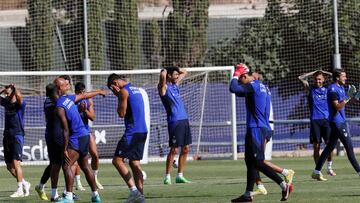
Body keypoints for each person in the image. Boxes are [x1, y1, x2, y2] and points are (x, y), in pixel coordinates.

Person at [229, 64, 292, 202]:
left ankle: (283, 184)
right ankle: (248, 194)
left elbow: (233, 88)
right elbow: (237, 90)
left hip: (256, 128)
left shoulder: (253, 86)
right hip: (260, 127)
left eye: (241, 80)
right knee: (249, 161)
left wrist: (235, 74)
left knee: (257, 161)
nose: (240, 83)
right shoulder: (262, 86)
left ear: (245, 76)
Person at [54, 77, 106, 203]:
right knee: (85, 166)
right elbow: (85, 95)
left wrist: (65, 149)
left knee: (66, 166)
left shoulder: (60, 106)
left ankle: (68, 197)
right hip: (85, 135)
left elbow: (65, 130)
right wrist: (98, 91)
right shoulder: (69, 98)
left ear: (57, 89)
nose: (67, 86)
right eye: (65, 85)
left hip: (76, 137)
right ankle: (95, 196)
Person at [250, 72, 295, 196]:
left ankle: (285, 173)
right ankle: (260, 186)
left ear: (255, 79)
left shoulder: (257, 88)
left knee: (259, 160)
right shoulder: (264, 88)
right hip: (266, 125)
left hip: (263, 126)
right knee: (256, 160)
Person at [312, 69, 360, 181]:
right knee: (349, 148)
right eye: (344, 76)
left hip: (340, 122)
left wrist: (357, 96)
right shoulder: (332, 89)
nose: (346, 78)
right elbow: (337, 106)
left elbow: (346, 103)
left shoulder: (341, 88)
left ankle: (316, 171)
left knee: (329, 147)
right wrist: (348, 97)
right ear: (337, 78)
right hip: (337, 123)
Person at [107, 73, 148, 203]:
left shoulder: (123, 92)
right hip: (142, 131)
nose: (112, 91)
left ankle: (134, 191)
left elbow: (121, 114)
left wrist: (118, 97)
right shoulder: (136, 90)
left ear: (115, 83)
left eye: (112, 88)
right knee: (134, 163)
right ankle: (140, 196)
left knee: (117, 161)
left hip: (132, 131)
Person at [298, 70, 336, 177]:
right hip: (315, 121)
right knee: (316, 146)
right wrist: (314, 72)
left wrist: (323, 72)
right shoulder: (310, 89)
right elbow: (300, 77)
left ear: (323, 80)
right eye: (316, 79)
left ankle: (329, 168)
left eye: (319, 79)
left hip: (326, 121)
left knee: (330, 145)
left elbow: (335, 76)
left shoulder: (328, 89)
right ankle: (318, 170)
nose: (317, 81)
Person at [158, 67, 192, 185]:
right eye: (175, 74)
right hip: (174, 121)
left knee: (186, 148)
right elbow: (162, 77)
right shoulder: (164, 87)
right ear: (169, 76)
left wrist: (176, 70)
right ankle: (167, 176)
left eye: (178, 74)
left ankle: (180, 176)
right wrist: (165, 71)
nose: (178, 76)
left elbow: (185, 71)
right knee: (174, 149)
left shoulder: (175, 85)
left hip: (184, 120)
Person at [35, 83, 65, 201]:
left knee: (55, 164)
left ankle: (43, 187)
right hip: (58, 135)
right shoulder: (57, 100)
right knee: (64, 163)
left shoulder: (47, 100)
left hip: (50, 134)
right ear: (57, 90)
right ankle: (65, 192)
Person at [0, 84, 31, 198]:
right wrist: (4, 90)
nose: (6, 96)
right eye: (5, 94)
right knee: (9, 166)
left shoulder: (20, 104)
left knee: (16, 163)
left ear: (13, 93)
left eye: (8, 94)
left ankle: (20, 190)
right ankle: (24, 183)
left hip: (17, 135)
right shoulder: (6, 103)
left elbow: (18, 95)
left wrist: (15, 88)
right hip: (7, 136)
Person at [75, 82, 104, 189]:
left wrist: (85, 110)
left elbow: (92, 117)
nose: (82, 94)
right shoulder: (72, 100)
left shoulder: (88, 100)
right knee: (79, 157)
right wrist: (78, 110)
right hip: (75, 132)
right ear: (76, 92)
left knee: (95, 155)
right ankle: (78, 183)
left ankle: (95, 178)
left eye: (83, 92)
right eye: (80, 92)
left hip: (86, 131)